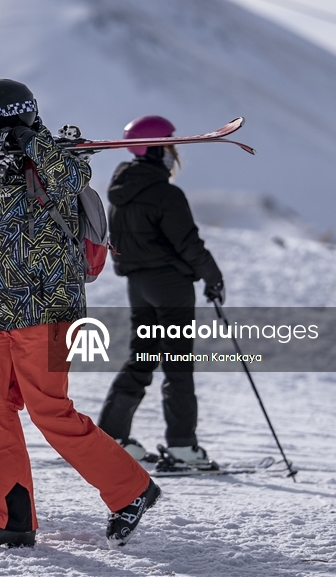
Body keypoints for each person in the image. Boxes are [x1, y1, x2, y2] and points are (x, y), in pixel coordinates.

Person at [0, 79, 160, 550]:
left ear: (10, 118)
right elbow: (5, 247)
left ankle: (132, 491)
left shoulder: (52, 161)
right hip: (2, 315)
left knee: (51, 413)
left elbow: (72, 178)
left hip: (48, 314)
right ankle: (12, 520)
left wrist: (31, 141)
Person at [98, 115, 224, 467]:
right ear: (155, 151)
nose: (174, 154)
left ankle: (112, 437)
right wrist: (212, 277)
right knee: (178, 365)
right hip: (171, 288)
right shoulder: (166, 194)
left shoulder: (119, 195)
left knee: (141, 359)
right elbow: (188, 243)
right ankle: (183, 447)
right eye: (169, 146)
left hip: (139, 288)